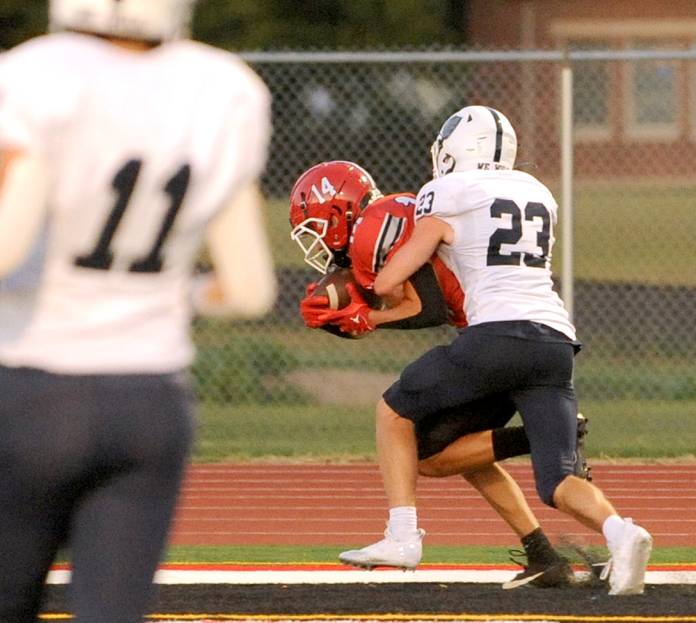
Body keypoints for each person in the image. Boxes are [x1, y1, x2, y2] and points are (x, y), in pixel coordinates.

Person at [0, 1, 276, 621]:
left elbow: (6, 247)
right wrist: (172, 294)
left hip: (30, 389)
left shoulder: (35, 73)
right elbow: (250, 290)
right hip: (150, 403)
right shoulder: (223, 87)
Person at [341, 106, 653, 596]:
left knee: (392, 412)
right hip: (554, 343)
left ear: (455, 151)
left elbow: (392, 277)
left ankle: (402, 537)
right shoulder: (537, 192)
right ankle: (623, 533)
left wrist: (369, 296)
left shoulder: (443, 193)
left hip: (495, 337)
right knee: (557, 483)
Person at [290, 160, 591, 588]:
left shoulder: (378, 226)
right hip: (496, 335)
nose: (315, 241)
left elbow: (426, 308)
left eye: (316, 226)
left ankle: (405, 534)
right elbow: (418, 297)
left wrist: (368, 319)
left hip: (492, 339)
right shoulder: (383, 221)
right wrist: (354, 317)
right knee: (459, 453)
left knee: (413, 435)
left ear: (338, 213)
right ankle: (542, 554)